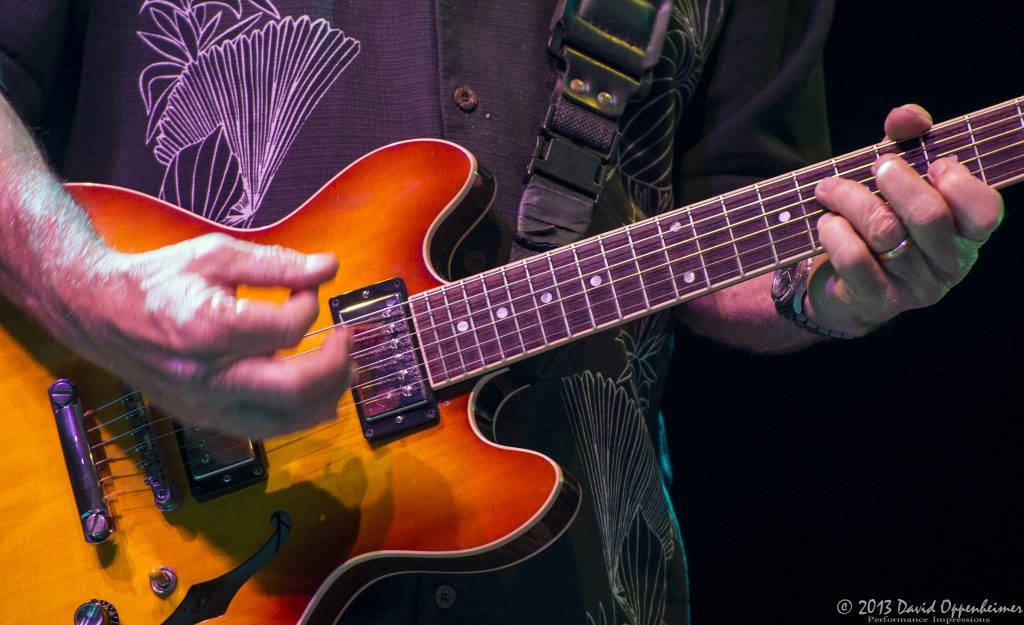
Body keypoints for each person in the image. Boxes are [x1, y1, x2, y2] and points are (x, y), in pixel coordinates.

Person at [0, 1, 1004, 623]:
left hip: (572, 583)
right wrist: (88, 289)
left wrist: (831, 289)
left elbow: (736, 204)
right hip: (146, 541)